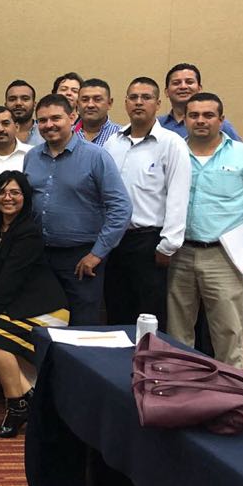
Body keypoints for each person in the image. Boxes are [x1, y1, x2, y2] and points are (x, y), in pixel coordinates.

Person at [167, 93, 243, 368]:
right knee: (177, 333)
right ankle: (181, 385)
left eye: (208, 115)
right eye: (194, 115)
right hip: (179, 254)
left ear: (221, 120)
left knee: (228, 332)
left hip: (224, 257)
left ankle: (232, 388)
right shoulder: (173, 153)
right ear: (185, 120)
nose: (200, 121)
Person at [0, 171, 70, 437]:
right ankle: (26, 399)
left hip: (46, 309)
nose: (8, 198)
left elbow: (8, 281)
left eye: (15, 192)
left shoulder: (29, 232)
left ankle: (16, 404)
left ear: (26, 197)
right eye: (2, 192)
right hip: (16, 306)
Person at [23, 95, 132, 325]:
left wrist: (97, 254)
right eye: (42, 120)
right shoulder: (32, 157)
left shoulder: (96, 156)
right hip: (41, 255)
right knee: (45, 322)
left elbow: (121, 207)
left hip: (82, 258)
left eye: (56, 118)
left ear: (72, 117)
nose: (49, 125)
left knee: (82, 325)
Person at [103, 77, 191, 328]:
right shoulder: (113, 142)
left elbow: (178, 195)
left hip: (150, 243)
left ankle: (149, 356)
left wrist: (168, 244)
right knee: (117, 311)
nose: (139, 102)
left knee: (150, 316)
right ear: (125, 103)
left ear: (158, 103)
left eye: (146, 97)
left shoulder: (171, 143)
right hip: (114, 241)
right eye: (133, 97)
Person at [160, 63, 242, 140]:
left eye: (189, 82)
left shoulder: (220, 125)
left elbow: (237, 149)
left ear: (199, 89)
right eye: (176, 83)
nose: (183, 86)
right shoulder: (157, 125)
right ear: (166, 92)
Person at [74, 78, 120, 146]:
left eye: (97, 99)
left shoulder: (121, 136)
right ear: (77, 104)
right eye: (85, 100)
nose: (90, 105)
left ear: (109, 103)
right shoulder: (66, 135)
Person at [5, 80, 43, 146]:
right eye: (12, 99)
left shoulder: (45, 132)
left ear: (34, 104)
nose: (18, 103)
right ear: (5, 105)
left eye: (25, 99)